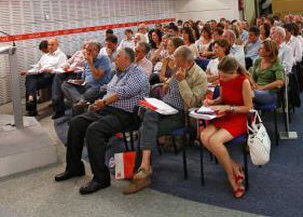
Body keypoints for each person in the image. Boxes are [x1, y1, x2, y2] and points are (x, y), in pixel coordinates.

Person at [54, 47, 150, 195]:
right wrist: (89, 101)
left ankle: (101, 178)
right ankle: (74, 167)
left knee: (94, 130)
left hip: (126, 115)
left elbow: (123, 92)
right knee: (76, 123)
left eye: (118, 56)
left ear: (127, 59)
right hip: (108, 109)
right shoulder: (118, 73)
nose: (115, 59)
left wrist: (103, 103)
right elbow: (107, 88)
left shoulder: (137, 73)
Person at [123, 46, 207, 195]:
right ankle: (144, 167)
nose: (176, 65)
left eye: (179, 63)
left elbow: (192, 102)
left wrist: (182, 81)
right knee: (149, 113)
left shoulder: (200, 76)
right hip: (164, 107)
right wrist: (168, 82)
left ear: (188, 62)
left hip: (180, 115)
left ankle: (143, 170)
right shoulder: (178, 68)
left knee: (144, 130)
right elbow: (168, 82)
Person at [201, 56, 253, 198]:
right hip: (224, 113)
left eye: (224, 76)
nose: (221, 78)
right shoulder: (223, 79)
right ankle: (235, 166)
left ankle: (231, 177)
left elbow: (248, 108)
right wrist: (212, 102)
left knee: (215, 141)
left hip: (238, 116)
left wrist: (229, 108)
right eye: (220, 75)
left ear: (233, 71)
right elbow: (222, 99)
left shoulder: (244, 82)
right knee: (204, 136)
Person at [60, 41, 113, 115]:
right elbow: (83, 80)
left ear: (97, 51)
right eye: (86, 49)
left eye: (90, 50)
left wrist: (90, 63)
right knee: (65, 84)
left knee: (76, 102)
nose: (87, 52)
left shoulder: (104, 59)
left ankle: (79, 110)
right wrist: (74, 81)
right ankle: (80, 100)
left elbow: (97, 77)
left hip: (97, 87)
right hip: (85, 85)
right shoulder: (85, 62)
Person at [22, 38, 67, 116]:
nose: (50, 46)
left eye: (52, 45)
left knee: (32, 82)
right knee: (29, 77)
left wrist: (51, 70)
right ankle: (31, 103)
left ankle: (58, 109)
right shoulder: (45, 56)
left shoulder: (61, 56)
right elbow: (38, 66)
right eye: (49, 45)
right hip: (43, 75)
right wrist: (28, 71)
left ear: (57, 45)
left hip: (53, 76)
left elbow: (62, 70)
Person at [51, 42, 88, 119]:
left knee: (64, 85)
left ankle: (60, 107)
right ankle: (57, 101)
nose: (84, 49)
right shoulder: (78, 52)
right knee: (57, 76)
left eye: (86, 47)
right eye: (83, 47)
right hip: (68, 71)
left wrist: (75, 67)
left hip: (77, 73)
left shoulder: (88, 55)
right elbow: (69, 61)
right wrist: (66, 66)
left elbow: (86, 67)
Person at [249, 40, 284, 107]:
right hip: (256, 91)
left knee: (246, 94)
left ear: (269, 52)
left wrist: (262, 88)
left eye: (261, 48)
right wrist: (253, 85)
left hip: (270, 93)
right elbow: (252, 78)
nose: (259, 49)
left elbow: (280, 82)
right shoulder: (258, 61)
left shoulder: (276, 63)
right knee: (245, 95)